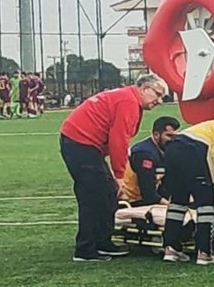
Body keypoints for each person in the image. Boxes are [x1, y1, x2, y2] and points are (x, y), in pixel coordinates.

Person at [59, 73, 167, 262]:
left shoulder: (128, 99)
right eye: (157, 94)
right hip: (81, 143)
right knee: (93, 195)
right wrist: (119, 176)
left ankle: (103, 242)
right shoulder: (128, 102)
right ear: (144, 88)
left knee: (106, 192)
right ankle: (86, 248)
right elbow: (118, 140)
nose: (159, 100)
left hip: (83, 144)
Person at [161, 117, 214, 265]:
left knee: (177, 201)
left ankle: (171, 248)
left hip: (173, 148)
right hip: (195, 150)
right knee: (206, 203)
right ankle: (204, 252)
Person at [118, 115, 181, 207]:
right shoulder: (145, 154)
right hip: (131, 200)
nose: (173, 140)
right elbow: (148, 193)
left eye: (175, 136)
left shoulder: (162, 149)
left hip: (145, 196)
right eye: (169, 136)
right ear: (156, 135)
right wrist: (170, 205)